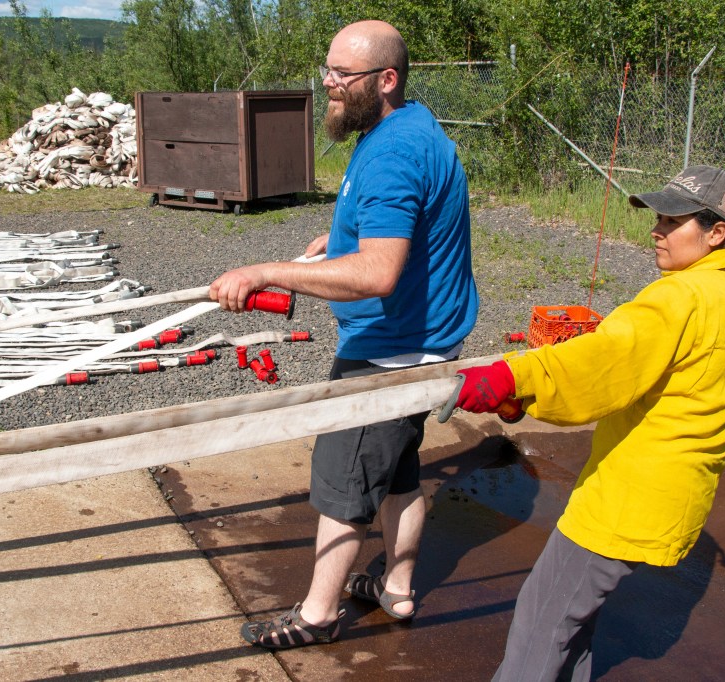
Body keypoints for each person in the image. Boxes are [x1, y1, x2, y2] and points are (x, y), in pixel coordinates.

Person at [452, 165, 725, 681]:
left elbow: (605, 362)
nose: (655, 230)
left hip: (625, 498)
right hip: (676, 495)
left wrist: (513, 380)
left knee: (542, 623)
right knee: (573, 621)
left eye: (671, 221)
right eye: (657, 217)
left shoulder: (680, 297)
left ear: (717, 232)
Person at [209, 19, 478, 648]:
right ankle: (398, 589)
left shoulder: (390, 152)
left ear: (385, 80)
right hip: (430, 343)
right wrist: (341, 241)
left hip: (390, 352)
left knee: (344, 485)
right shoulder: (410, 126)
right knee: (401, 471)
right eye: (327, 69)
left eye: (342, 75)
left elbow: (381, 272)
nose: (329, 83)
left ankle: (317, 615)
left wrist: (264, 272)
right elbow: (410, 225)